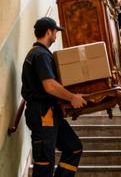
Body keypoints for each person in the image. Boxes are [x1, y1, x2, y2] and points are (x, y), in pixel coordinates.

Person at [22, 17, 87, 176]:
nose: (56, 35)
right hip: (42, 113)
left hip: (50, 111)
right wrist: (72, 97)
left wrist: (63, 104)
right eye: (55, 31)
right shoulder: (40, 55)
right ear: (48, 32)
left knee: (74, 148)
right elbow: (50, 86)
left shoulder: (42, 54)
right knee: (44, 163)